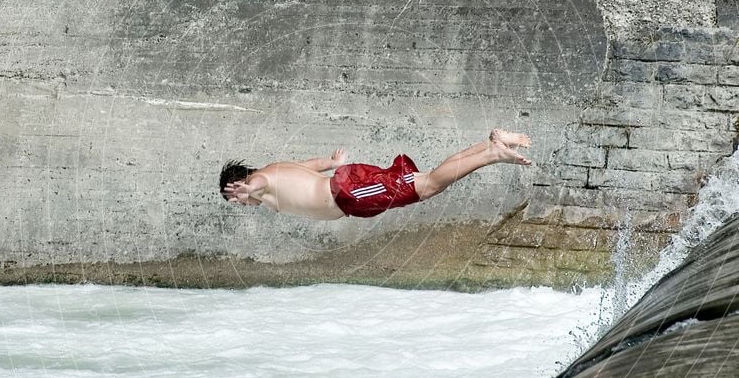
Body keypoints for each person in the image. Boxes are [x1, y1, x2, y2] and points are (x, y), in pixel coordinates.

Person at [219, 129, 531, 221]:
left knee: (428, 186)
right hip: (347, 185)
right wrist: (332, 161)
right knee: (425, 180)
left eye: (237, 199)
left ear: (241, 181)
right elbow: (314, 164)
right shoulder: (277, 167)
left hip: (349, 193)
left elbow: (257, 186)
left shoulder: (260, 181)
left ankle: (492, 153)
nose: (243, 204)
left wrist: (248, 192)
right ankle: (488, 144)